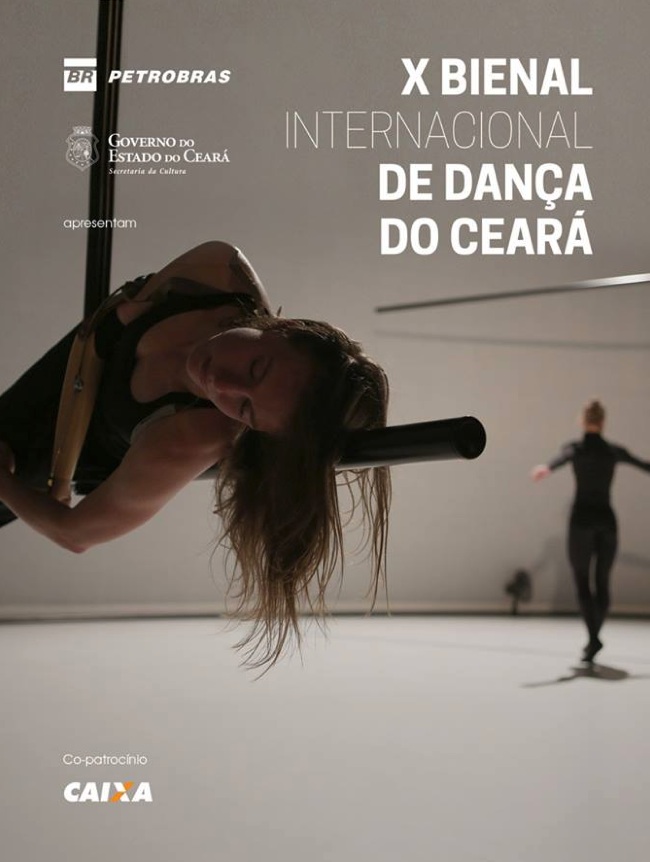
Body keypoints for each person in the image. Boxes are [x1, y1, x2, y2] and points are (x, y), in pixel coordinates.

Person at [0, 241, 391, 667]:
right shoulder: (216, 273)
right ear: (283, 327)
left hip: (36, 454)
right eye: (256, 367)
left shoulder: (189, 434)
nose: (221, 383)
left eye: (244, 408)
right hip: (61, 371)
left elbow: (75, 533)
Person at [531, 399, 650, 663]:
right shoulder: (613, 451)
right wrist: (548, 467)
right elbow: (645, 465)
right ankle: (594, 638)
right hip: (606, 521)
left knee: (583, 582)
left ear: (582, 421)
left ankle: (593, 638)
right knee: (603, 582)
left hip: (582, 522)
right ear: (603, 422)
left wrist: (545, 468)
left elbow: (558, 461)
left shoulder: (575, 449)